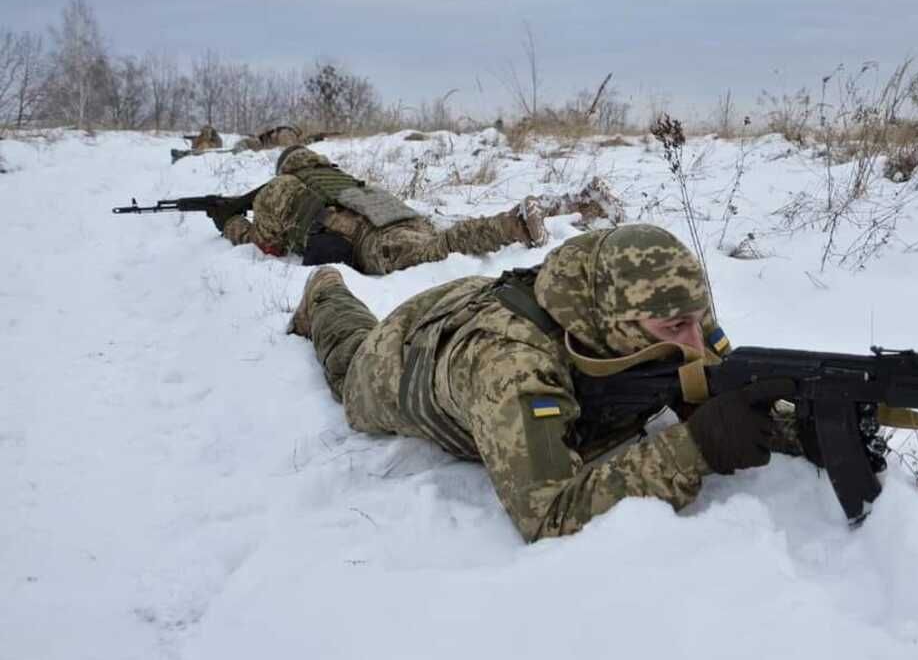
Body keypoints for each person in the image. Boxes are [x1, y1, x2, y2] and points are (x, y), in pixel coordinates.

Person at [287, 224, 804, 542]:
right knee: (349, 349)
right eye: (676, 331)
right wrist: (696, 447)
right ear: (616, 325)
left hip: (482, 304)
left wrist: (802, 422)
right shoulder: (510, 368)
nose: (697, 341)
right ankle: (326, 290)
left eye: (700, 319)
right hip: (399, 358)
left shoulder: (667, 310)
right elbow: (549, 514)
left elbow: (718, 381)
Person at [210, 145, 622, 275]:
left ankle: (518, 223)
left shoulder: (278, 190)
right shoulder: (333, 176)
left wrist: (231, 224)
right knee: (452, 234)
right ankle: (573, 204)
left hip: (375, 241)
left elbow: (268, 247)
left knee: (445, 247)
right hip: (398, 218)